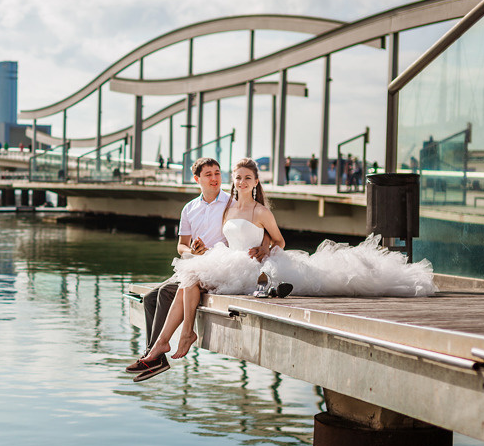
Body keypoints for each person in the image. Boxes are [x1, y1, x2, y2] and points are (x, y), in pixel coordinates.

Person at [136, 158, 437, 376]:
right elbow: (204, 239)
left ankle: (172, 340)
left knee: (189, 280)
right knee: (187, 277)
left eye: (246, 178)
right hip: (225, 258)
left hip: (248, 263)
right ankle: (171, 340)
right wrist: (195, 249)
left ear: (255, 182)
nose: (239, 182)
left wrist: (266, 246)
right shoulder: (225, 207)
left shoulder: (259, 209)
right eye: (236, 178)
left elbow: (277, 238)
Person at [126, 157, 269, 382]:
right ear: (197, 179)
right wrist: (192, 250)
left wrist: (264, 245)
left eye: (217, 173)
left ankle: (154, 355)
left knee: (164, 293)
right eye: (208, 174)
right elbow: (181, 246)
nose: (214, 178)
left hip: (219, 266)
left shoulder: (231, 203)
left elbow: (257, 224)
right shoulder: (189, 208)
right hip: (194, 262)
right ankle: (154, 354)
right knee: (150, 297)